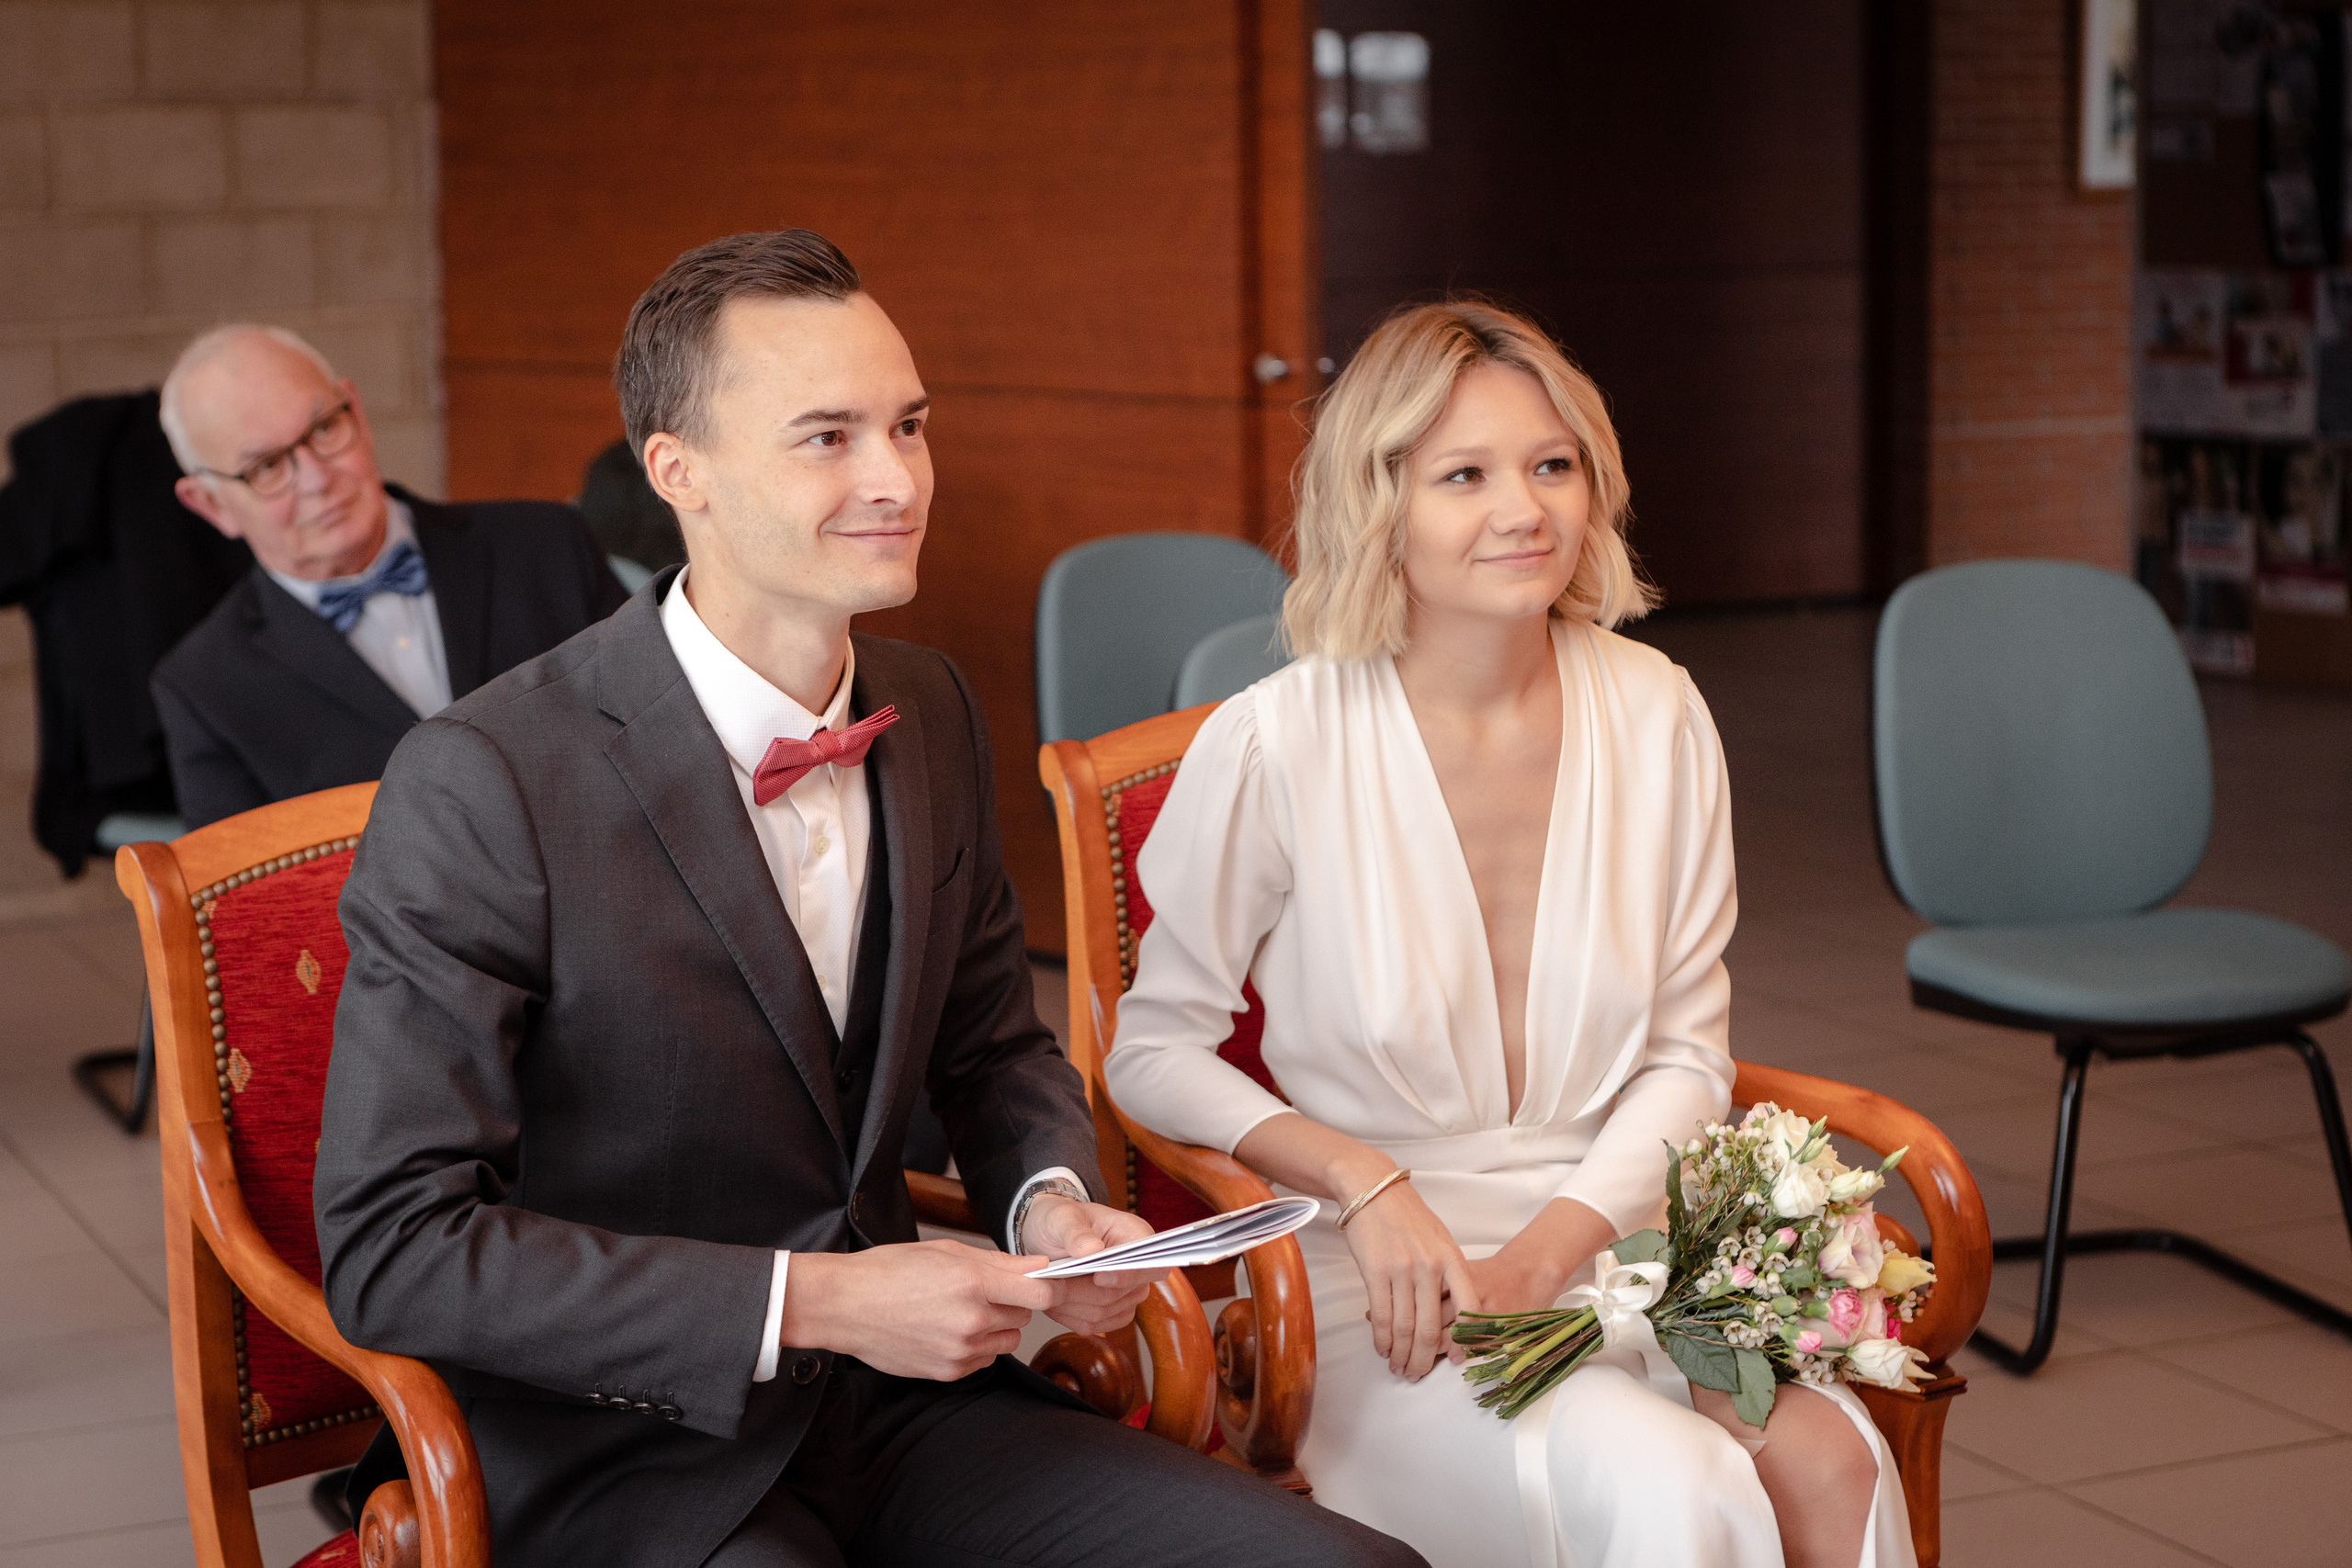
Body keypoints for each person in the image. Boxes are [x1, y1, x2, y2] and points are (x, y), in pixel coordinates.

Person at [313, 230, 1422, 1568]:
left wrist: (1049, 1200)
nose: (896, 478)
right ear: (683, 474)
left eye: (909, 424)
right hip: (629, 1447)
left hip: (908, 1410)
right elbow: (393, 1246)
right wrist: (819, 1299)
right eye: (826, 437)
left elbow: (988, 1043)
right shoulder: (485, 778)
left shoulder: (932, 704)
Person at [1105, 300, 1913, 1568]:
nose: (1523, 509)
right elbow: (1149, 1053)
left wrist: (1560, 1243)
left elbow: (1687, 1055)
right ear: (1381, 503)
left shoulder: (1660, 713)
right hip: (1395, 1290)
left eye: (1553, 464)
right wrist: (1364, 1182)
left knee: (1832, 1456)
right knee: (1678, 1483)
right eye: (1464, 475)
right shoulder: (1275, 741)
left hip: (1617, 1232)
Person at [150, 324, 628, 828]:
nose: (317, 480)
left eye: (324, 430)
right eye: (267, 467)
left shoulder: (546, 543)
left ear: (355, 410)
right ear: (210, 505)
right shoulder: (204, 686)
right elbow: (250, 902)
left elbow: (663, 737)